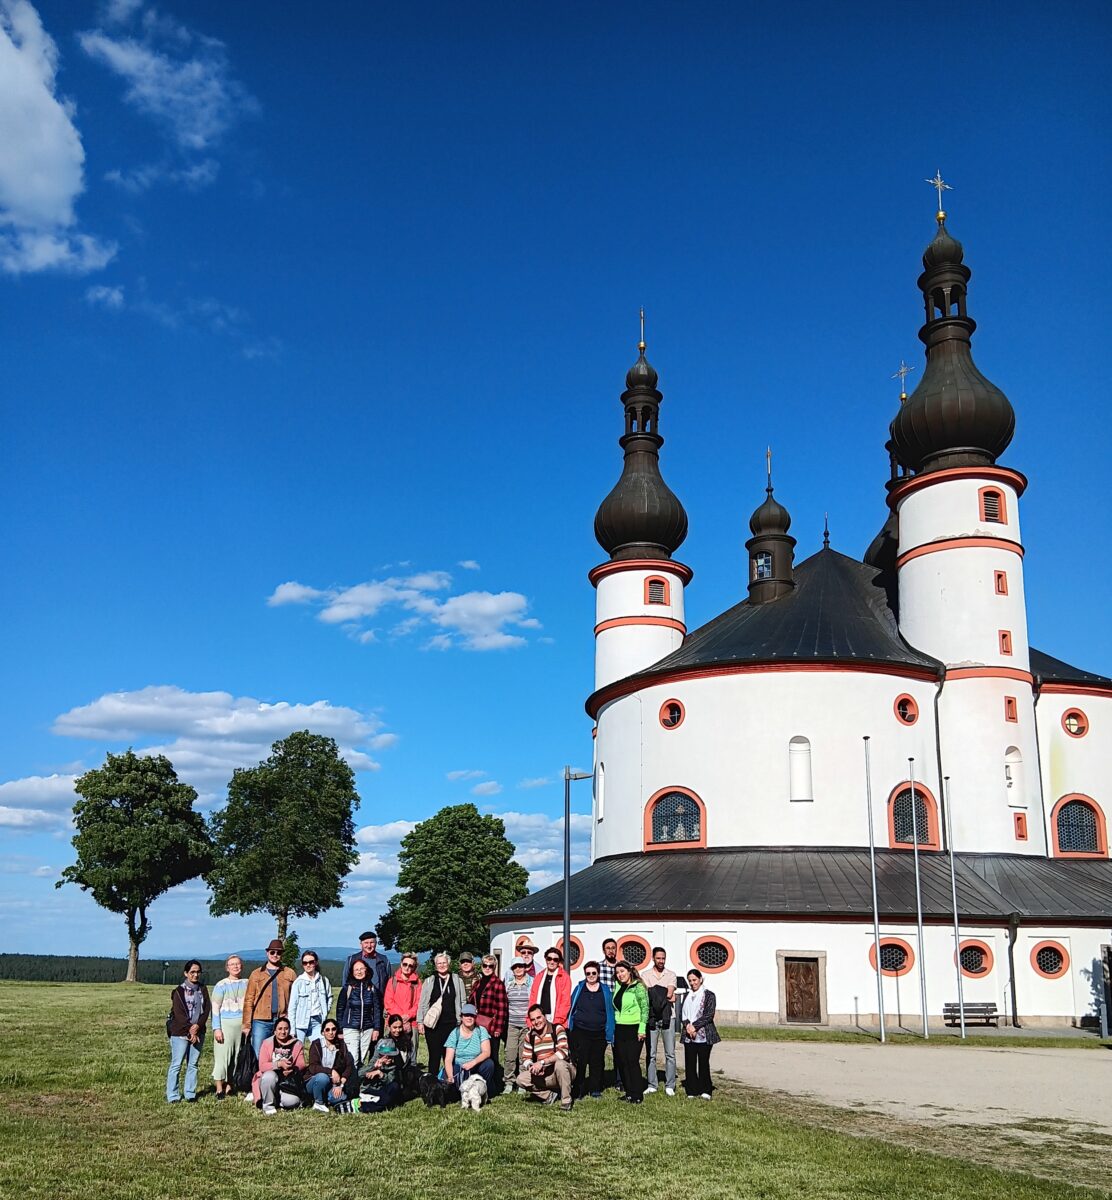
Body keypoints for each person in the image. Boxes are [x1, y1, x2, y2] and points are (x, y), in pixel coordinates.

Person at [242, 939, 297, 1060]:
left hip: (282, 1020)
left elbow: (295, 998)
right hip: (260, 1020)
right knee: (258, 1053)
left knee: (281, 1054)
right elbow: (249, 1000)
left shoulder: (290, 973)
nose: (275, 955)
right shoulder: (256, 974)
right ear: (267, 953)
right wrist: (246, 1024)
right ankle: (257, 1078)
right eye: (272, 952)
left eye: (278, 953)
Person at [567, 960, 613, 1099]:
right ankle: (579, 1089)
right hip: (581, 1031)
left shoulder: (605, 990)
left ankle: (595, 1088)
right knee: (581, 1061)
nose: (591, 976)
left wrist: (610, 1032)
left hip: (599, 1032)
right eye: (588, 973)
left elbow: (609, 1011)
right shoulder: (580, 988)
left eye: (594, 973)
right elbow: (572, 1006)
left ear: (598, 973)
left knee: (597, 1061)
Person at [167, 960, 211, 1103]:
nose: (195, 975)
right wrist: (190, 1031)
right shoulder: (178, 991)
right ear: (186, 973)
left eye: (198, 972)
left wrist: (198, 1027)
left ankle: (190, 1093)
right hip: (180, 1033)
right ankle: (173, 1095)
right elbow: (179, 1014)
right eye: (192, 972)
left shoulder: (203, 989)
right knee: (176, 1064)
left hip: (199, 1031)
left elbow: (206, 1010)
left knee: (193, 1064)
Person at [516, 1004, 575, 1112]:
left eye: (539, 1017)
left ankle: (566, 1101)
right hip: (543, 1073)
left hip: (563, 1071)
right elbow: (525, 1058)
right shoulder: (530, 1036)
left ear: (545, 1016)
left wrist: (542, 1063)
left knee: (560, 1064)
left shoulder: (557, 1029)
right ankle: (548, 1095)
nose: (536, 1022)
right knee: (521, 1079)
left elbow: (563, 1053)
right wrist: (532, 1067)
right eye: (533, 1020)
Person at [417, 952, 465, 1076]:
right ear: (435, 965)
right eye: (439, 963)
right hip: (433, 1026)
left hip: (451, 1024)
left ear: (449, 964)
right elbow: (422, 1003)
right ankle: (432, 1084)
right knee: (434, 1056)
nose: (442, 965)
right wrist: (420, 1021)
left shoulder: (457, 980)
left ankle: (450, 1082)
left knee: (450, 1056)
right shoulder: (429, 981)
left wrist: (463, 1020)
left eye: (444, 962)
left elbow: (462, 1001)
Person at [611, 960, 648, 1104]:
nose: (620, 975)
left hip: (634, 1027)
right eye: (618, 973)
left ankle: (637, 1093)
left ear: (629, 971)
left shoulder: (638, 987)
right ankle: (628, 1092)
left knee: (632, 1061)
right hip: (620, 1027)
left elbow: (645, 1008)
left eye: (622, 971)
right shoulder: (618, 986)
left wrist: (642, 1028)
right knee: (623, 1061)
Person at [642, 946, 678, 1096]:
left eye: (663, 958)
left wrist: (655, 992)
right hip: (651, 1017)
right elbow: (647, 995)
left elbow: (669, 993)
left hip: (668, 1016)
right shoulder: (645, 975)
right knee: (651, 1053)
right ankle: (652, 1084)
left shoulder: (671, 974)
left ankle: (670, 1085)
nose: (661, 961)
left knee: (670, 1053)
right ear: (653, 959)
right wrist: (661, 994)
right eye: (658, 958)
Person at [252, 1016, 306, 1114]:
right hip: (269, 1078)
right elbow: (262, 1066)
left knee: (294, 1101)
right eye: (280, 1029)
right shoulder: (267, 1043)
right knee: (269, 1076)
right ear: (275, 1031)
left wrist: (291, 1069)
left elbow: (301, 1065)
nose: (283, 1032)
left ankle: (274, 1098)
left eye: (286, 1029)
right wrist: (279, 1064)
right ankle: (268, 1106)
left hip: (286, 1083)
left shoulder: (297, 1044)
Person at [210, 954, 247, 1099]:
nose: (235, 967)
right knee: (222, 1057)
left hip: (242, 1025)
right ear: (227, 967)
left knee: (236, 1057)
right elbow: (215, 1009)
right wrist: (216, 1028)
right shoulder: (221, 985)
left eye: (238, 964)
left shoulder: (247, 983)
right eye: (232, 964)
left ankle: (230, 1085)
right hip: (225, 1024)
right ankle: (219, 1088)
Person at [681, 969, 721, 1100]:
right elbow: (683, 1013)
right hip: (689, 1034)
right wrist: (687, 1026)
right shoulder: (687, 996)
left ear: (700, 979)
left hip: (704, 1034)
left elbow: (709, 1014)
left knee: (703, 1062)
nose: (692, 983)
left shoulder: (709, 995)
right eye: (690, 981)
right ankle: (692, 1089)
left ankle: (706, 1089)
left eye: (694, 980)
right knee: (690, 1062)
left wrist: (695, 1026)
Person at [336, 958, 381, 1069]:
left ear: (367, 970)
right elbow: (340, 1009)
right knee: (353, 1059)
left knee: (362, 1059)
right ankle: (350, 1084)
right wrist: (340, 1029)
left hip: (367, 1028)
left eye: (361, 969)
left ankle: (358, 1083)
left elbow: (377, 1009)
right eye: (356, 969)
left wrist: (376, 1028)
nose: (359, 972)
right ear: (352, 972)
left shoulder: (372, 989)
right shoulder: (348, 988)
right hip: (350, 1027)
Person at [470, 954, 508, 1083]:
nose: (487, 968)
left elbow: (502, 1008)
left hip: (491, 1025)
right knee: (478, 1053)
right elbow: (471, 1002)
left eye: (490, 966)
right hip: (477, 1024)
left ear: (495, 967)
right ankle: (479, 1079)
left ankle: (495, 1083)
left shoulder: (498, 984)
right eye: (485, 965)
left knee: (492, 1055)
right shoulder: (477, 983)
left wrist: (498, 1028)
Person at [306, 1019, 356, 1112]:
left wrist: (340, 1085)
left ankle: (325, 1097)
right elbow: (313, 1067)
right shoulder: (316, 1044)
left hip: (333, 1083)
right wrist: (331, 1072)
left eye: (333, 1029)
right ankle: (318, 1103)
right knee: (322, 1077)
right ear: (322, 1032)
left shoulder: (342, 1045)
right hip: (315, 1081)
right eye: (327, 1030)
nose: (331, 1032)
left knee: (341, 1098)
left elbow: (349, 1066)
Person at [442, 1003, 495, 1088]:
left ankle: (484, 1088)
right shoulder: (455, 1033)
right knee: (454, 1074)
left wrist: (472, 1063)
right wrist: (450, 1076)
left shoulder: (481, 1031)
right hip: (460, 1066)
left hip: (477, 1063)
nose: (469, 1018)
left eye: (472, 1015)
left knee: (489, 1064)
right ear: (461, 1017)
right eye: (466, 1015)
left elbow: (486, 1052)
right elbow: (448, 1059)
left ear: (475, 1017)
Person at [383, 953, 422, 1065]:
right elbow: (388, 1002)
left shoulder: (417, 983)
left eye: (411, 966)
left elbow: (418, 1003)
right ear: (401, 964)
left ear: (414, 968)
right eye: (405, 964)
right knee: (388, 1053)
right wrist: (400, 1019)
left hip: (411, 1023)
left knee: (411, 1055)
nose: (407, 967)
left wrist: (408, 1017)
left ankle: (410, 1077)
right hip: (393, 1021)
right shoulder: (392, 981)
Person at [289, 949, 333, 1048]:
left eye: (311, 962)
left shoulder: (323, 981)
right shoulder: (298, 982)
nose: (308, 965)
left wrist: (324, 1012)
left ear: (316, 962)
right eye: (305, 963)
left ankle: (316, 1064)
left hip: (317, 1021)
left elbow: (329, 997)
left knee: (320, 1049)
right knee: (297, 1050)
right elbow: (292, 1007)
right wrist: (292, 1030)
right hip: (300, 1023)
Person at [502, 959, 532, 1091]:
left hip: (526, 1024)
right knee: (510, 1054)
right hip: (512, 1024)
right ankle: (509, 1081)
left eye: (520, 966)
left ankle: (522, 1081)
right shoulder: (508, 985)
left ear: (525, 967)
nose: (518, 969)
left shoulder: (531, 983)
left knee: (523, 1055)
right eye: (515, 967)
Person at [529, 947, 571, 1026]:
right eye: (549, 958)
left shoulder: (564, 977)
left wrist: (557, 1022)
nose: (552, 962)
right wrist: (531, 1019)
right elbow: (533, 998)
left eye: (555, 960)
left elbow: (565, 1002)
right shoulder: (539, 976)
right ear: (546, 959)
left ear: (558, 962)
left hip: (556, 1020)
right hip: (538, 1019)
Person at [343, 930, 391, 997]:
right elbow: (345, 983)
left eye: (372, 942)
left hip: (379, 1002)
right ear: (361, 944)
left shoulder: (384, 960)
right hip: (357, 1003)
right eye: (366, 943)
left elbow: (389, 985)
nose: (369, 946)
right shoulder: (351, 960)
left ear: (376, 943)